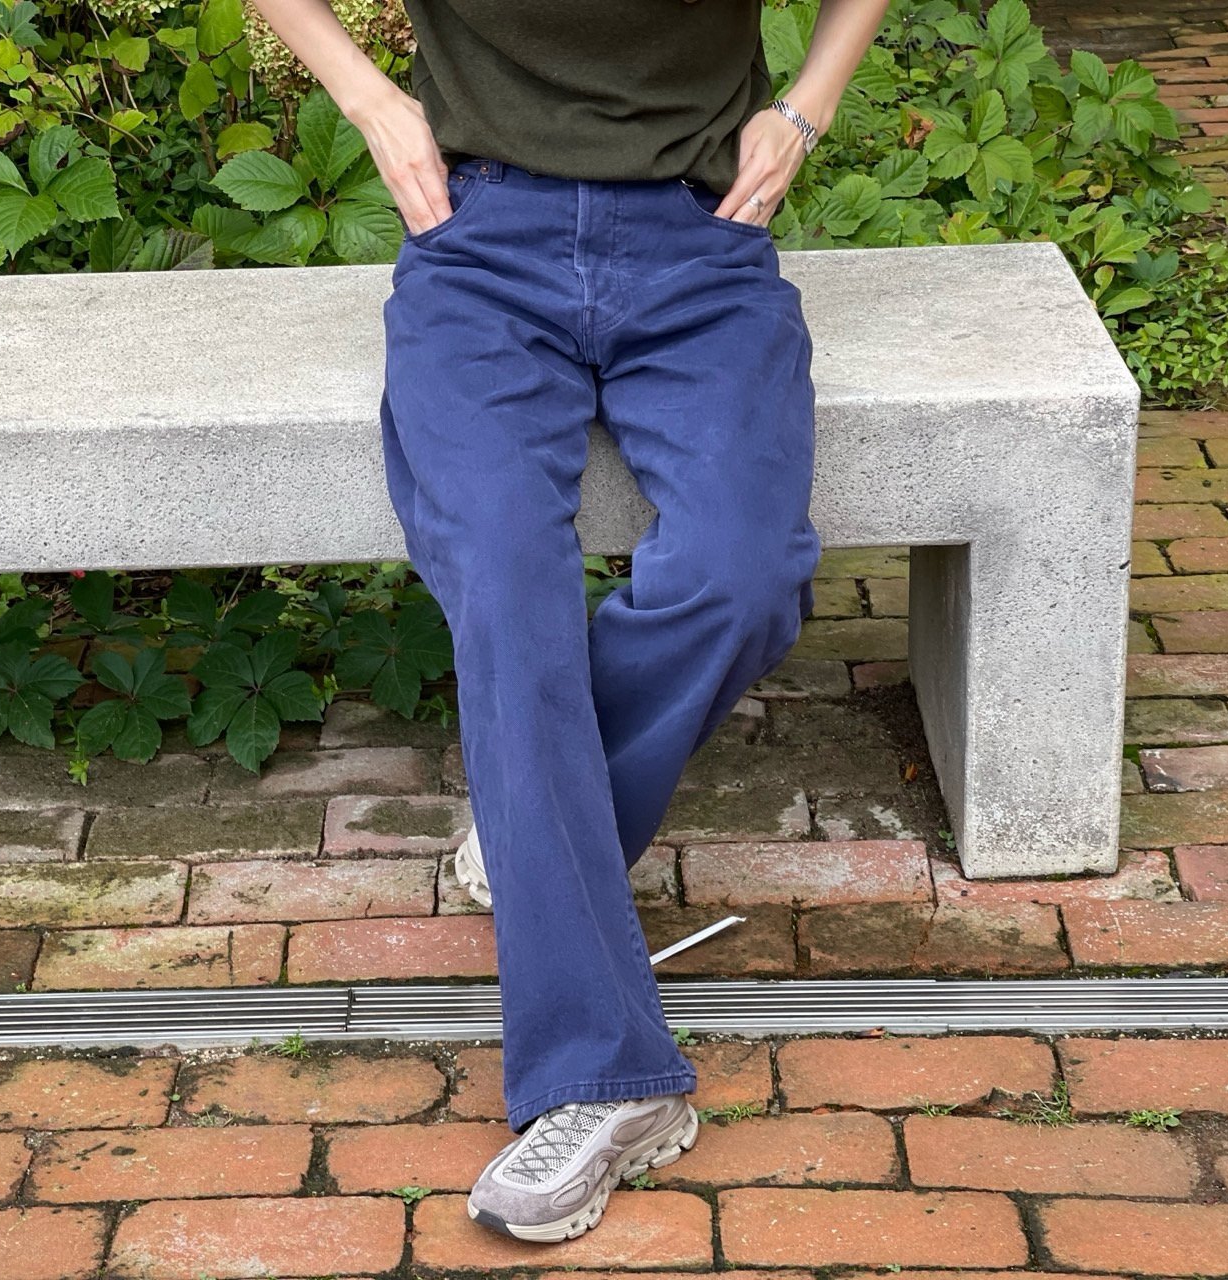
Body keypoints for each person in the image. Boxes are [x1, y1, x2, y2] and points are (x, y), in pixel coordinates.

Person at [248, 0, 893, 1243]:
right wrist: (370, 100)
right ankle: (605, 1076)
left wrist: (806, 106)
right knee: (506, 583)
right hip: (479, 243)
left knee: (744, 574)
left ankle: (534, 824)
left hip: (700, 240)